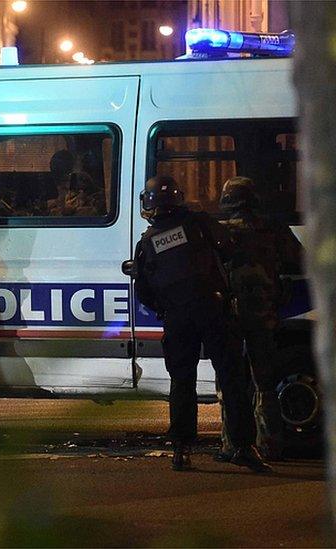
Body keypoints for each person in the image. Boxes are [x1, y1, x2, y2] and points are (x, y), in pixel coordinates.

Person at [132, 175, 271, 473]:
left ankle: (181, 450)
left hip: (178, 318)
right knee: (232, 378)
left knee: (182, 383)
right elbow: (230, 250)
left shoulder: (147, 242)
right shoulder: (198, 223)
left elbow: (142, 290)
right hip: (214, 310)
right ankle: (244, 447)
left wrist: (167, 309)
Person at [216, 176, 304, 461]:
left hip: (229, 317)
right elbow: (299, 260)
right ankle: (269, 444)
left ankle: (232, 446)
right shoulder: (273, 228)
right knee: (265, 384)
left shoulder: (219, 232)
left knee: (229, 383)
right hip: (263, 316)